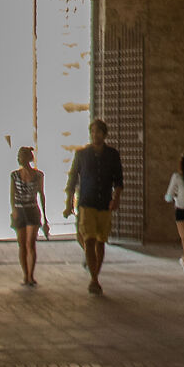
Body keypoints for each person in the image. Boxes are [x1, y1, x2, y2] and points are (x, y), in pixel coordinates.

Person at [63, 119, 124, 295]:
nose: (95, 135)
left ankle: (95, 274)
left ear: (104, 135)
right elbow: (73, 179)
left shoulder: (112, 155)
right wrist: (68, 204)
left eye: (98, 132)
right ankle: (94, 279)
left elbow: (119, 180)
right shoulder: (82, 154)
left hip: (104, 203)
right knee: (88, 239)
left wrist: (116, 198)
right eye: (92, 132)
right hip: (86, 202)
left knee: (101, 241)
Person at [10, 143, 48, 286]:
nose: (20, 159)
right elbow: (12, 195)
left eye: (22, 156)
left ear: (28, 158)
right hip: (19, 210)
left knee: (30, 243)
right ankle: (26, 275)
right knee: (22, 244)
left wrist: (45, 217)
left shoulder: (38, 175)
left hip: (32, 209)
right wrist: (13, 210)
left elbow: (41, 195)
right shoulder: (14, 175)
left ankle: (31, 275)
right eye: (19, 156)